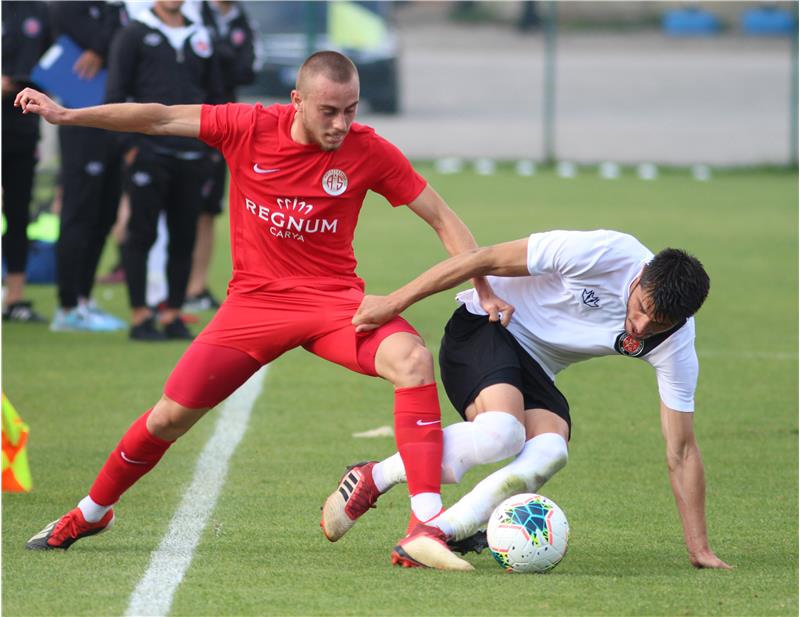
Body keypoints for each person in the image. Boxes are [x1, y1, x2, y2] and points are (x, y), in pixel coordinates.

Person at [16, 50, 509, 570]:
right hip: (252, 306)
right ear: (296, 102)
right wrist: (67, 115)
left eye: (351, 110)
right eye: (328, 111)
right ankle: (93, 511)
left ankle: (424, 525)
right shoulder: (246, 126)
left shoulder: (370, 151)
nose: (342, 124)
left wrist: (483, 285)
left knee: (411, 359)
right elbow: (157, 115)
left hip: (333, 303)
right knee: (167, 419)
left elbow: (441, 216)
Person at [321, 229, 732, 570]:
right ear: (641, 275)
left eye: (658, 322)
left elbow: (681, 450)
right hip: (486, 326)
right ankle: (379, 483)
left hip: (535, 368)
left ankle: (432, 530)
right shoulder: (602, 254)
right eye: (642, 308)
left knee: (552, 450)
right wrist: (393, 302)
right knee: (503, 433)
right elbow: (480, 259)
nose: (642, 327)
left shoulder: (675, 341)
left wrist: (699, 549)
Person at [105, 0, 224, 340]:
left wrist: (212, 149)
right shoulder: (133, 33)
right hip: (148, 154)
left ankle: (173, 312)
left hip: (192, 156)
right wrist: (129, 148)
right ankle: (140, 314)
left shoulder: (200, 35)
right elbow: (116, 94)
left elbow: (215, 97)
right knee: (141, 234)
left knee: (183, 236)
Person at [48, 1, 129, 332]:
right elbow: (115, 39)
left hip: (112, 119)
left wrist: (103, 44)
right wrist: (101, 44)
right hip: (80, 119)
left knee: (104, 214)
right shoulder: (69, 6)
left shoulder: (113, 6)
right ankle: (67, 306)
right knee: (79, 212)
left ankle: (84, 297)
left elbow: (122, 42)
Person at [184, 0, 257, 313]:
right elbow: (194, 68)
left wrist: (221, 54)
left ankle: (196, 286)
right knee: (177, 209)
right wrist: (226, 56)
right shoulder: (192, 13)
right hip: (193, 119)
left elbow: (247, 69)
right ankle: (167, 287)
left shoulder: (241, 18)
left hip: (224, 126)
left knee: (208, 209)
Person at [1, 0, 51, 323]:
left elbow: (51, 66)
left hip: (20, 126)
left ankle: (15, 296)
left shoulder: (40, 11)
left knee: (18, 212)